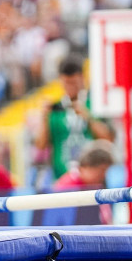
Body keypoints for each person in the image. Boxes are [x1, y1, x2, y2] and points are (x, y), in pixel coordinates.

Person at [37, 57, 114, 186]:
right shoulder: (56, 109)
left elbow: (108, 139)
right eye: (66, 83)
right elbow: (41, 145)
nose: (70, 87)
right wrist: (44, 119)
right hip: (62, 179)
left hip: (94, 181)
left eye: (74, 82)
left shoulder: (96, 105)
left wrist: (88, 118)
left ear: (82, 79)